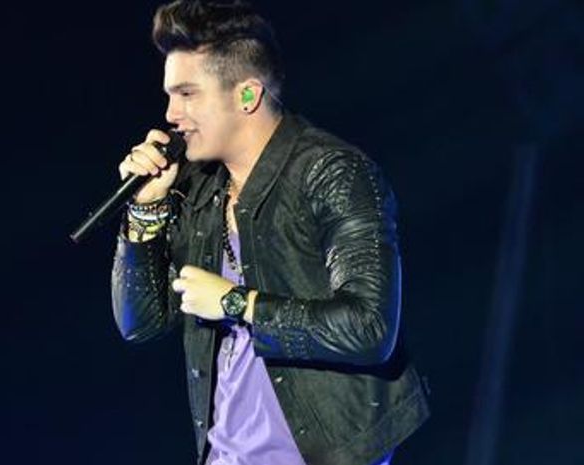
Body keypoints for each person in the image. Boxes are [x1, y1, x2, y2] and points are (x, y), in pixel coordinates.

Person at [111, 1, 430, 464]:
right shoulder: (199, 188)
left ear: (247, 95)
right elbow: (139, 324)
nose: (171, 114)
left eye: (187, 94)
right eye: (170, 95)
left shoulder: (332, 173)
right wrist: (146, 209)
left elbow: (369, 328)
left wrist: (236, 303)